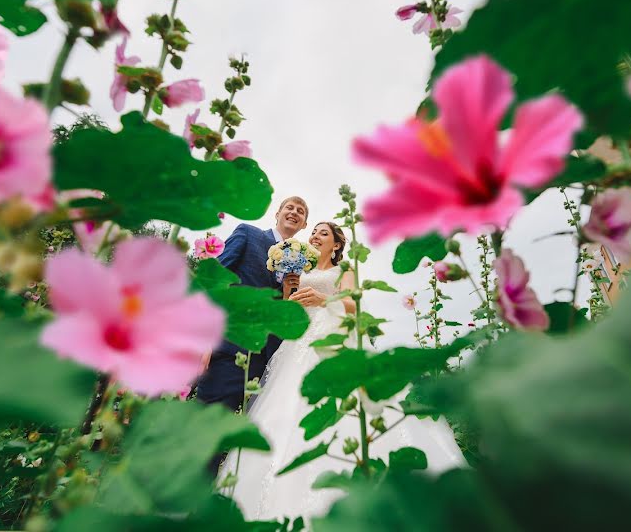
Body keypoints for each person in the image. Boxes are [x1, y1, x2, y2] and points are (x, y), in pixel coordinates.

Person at [221, 221, 466, 521]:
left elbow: (354, 305)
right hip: (297, 345)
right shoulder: (300, 272)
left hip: (333, 339)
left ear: (336, 244)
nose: (315, 236)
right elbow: (289, 313)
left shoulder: (344, 270)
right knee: (284, 408)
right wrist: (288, 292)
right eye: (314, 233)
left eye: (323, 233)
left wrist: (323, 299)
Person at [195, 196, 309, 412]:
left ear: (304, 225)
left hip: (266, 364)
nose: (294, 212)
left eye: (301, 211)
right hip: (230, 351)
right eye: (290, 207)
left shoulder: (300, 266)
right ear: (277, 214)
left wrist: (287, 293)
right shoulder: (248, 234)